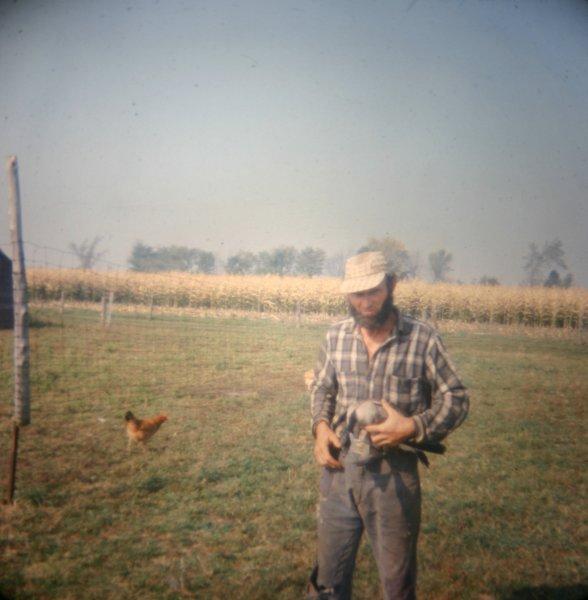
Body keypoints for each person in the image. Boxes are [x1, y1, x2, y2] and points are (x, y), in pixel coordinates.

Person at [307, 251, 469, 600]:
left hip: (394, 477)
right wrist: (321, 426)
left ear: (391, 285)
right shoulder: (335, 337)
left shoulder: (422, 338)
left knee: (397, 588)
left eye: (373, 291)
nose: (365, 302)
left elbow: (456, 397)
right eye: (357, 294)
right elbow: (323, 386)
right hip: (338, 472)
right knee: (327, 584)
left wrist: (412, 426)